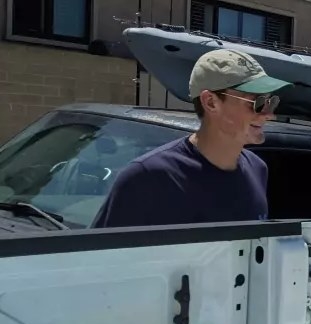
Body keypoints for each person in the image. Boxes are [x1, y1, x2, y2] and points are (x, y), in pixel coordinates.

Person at [91, 48, 291, 228]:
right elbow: (99, 261)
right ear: (211, 102)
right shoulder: (147, 177)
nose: (268, 114)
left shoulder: (257, 169)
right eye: (258, 102)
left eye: (271, 101)